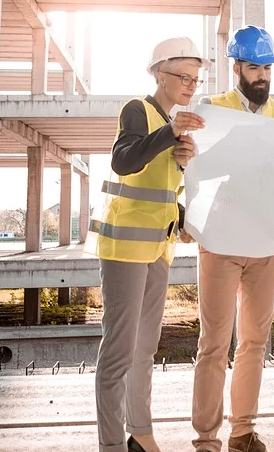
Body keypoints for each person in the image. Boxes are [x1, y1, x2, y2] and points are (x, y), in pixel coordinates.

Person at [86, 37, 210, 452]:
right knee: (119, 352)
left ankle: (140, 434)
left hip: (158, 249)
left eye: (196, 78)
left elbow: (159, 189)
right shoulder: (137, 109)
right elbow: (123, 160)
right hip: (124, 249)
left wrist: (179, 160)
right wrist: (169, 134)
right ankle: (111, 446)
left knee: (144, 349)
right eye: (183, 76)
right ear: (160, 74)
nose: (191, 84)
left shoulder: (171, 122)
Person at [174, 25, 274, 452]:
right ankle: (207, 437)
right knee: (213, 342)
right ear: (237, 67)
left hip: (265, 245)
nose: (262, 76)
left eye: (267, 68)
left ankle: (242, 430)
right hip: (222, 243)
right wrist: (183, 211)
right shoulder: (212, 109)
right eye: (254, 67)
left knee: (254, 342)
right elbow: (187, 167)